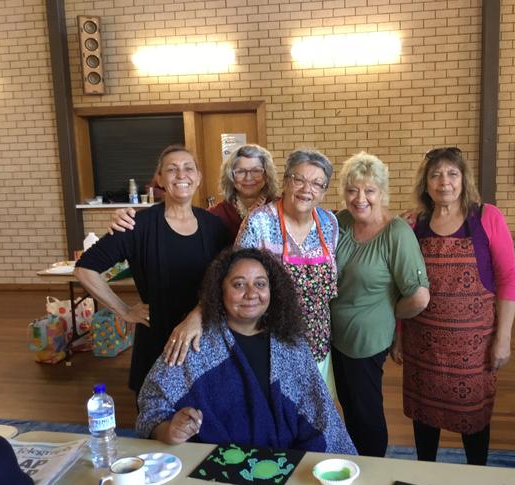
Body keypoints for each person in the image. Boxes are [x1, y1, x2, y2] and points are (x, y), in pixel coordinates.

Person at [136, 247, 356, 455]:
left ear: (273, 290)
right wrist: (168, 430)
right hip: (215, 465)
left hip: (288, 462)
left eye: (260, 284)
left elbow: (319, 413)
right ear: (220, 290)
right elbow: (152, 401)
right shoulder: (195, 343)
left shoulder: (292, 345)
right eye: (239, 285)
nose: (252, 293)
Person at [75, 144, 231, 396]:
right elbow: (85, 269)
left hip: (203, 336)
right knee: (156, 416)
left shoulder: (215, 227)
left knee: (204, 417)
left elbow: (227, 279)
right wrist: (124, 310)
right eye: (172, 169)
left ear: (199, 177)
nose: (181, 175)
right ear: (159, 178)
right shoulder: (137, 225)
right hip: (156, 339)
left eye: (188, 168)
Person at [396, 146, 515, 466]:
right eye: (435, 175)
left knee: (474, 421)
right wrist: (397, 335)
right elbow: (399, 286)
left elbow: (508, 278)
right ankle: (426, 475)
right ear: (425, 182)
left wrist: (503, 338)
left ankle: (476, 475)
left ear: (464, 179)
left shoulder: (487, 217)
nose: (444, 182)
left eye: (452, 173)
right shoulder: (413, 224)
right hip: (422, 346)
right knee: (424, 420)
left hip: (474, 347)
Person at [330, 152, 430, 457]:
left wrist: (389, 309)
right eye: (352, 190)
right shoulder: (339, 222)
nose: (360, 198)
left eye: (369, 190)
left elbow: (419, 296)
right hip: (333, 335)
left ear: (382, 193)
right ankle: (354, 461)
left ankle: (373, 467)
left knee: (366, 413)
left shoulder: (396, 233)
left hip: (367, 340)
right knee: (348, 407)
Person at [235, 148, 339, 389]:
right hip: (270, 341)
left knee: (314, 414)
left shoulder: (329, 223)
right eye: (299, 179)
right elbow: (237, 278)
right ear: (284, 182)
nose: (306, 189)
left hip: (317, 341)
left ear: (323, 192)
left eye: (316, 183)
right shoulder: (259, 221)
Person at [109, 144, 279, 238]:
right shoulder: (215, 216)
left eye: (256, 171)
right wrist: (123, 218)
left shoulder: (282, 209)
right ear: (231, 177)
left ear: (266, 176)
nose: (248, 178)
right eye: (240, 172)